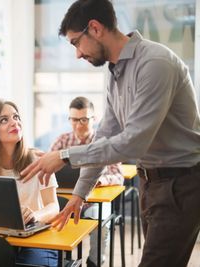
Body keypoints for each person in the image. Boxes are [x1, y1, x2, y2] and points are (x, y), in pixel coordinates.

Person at [21, 0, 200, 266]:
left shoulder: (155, 63)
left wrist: (65, 155)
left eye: (75, 43)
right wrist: (80, 194)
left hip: (180, 184)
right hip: (150, 182)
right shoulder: (115, 72)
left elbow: (132, 143)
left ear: (94, 28)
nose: (77, 55)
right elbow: (105, 136)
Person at [0, 99, 59, 267]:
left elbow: (54, 206)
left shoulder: (38, 160)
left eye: (16, 117)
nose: (14, 122)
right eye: (4, 120)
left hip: (37, 238)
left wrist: (35, 216)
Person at [50, 96, 124, 267]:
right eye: (74, 119)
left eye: (84, 119)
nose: (78, 124)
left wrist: (100, 180)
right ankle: (64, 261)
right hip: (65, 199)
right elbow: (50, 171)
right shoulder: (62, 140)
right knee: (51, 217)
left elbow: (118, 175)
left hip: (93, 201)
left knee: (100, 222)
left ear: (94, 118)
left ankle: (94, 261)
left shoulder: (104, 142)